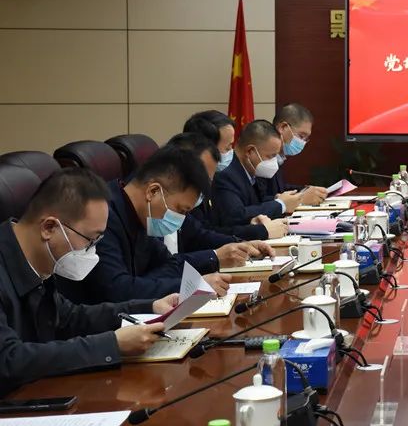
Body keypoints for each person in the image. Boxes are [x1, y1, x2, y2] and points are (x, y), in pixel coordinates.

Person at [0, 169, 181, 396]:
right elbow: (8, 360)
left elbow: (69, 318)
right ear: (49, 228)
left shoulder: (37, 258)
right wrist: (111, 345)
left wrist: (150, 307)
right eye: (90, 240)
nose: (93, 251)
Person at [57, 148, 231, 304]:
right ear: (153, 191)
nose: (182, 219)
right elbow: (117, 290)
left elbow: (170, 264)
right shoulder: (102, 217)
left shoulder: (141, 215)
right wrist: (192, 286)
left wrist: (143, 283)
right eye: (181, 210)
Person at [163, 132, 277, 259]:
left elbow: (201, 236)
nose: (205, 188)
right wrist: (216, 257)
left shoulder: (182, 210)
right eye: (202, 180)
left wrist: (243, 245)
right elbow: (169, 265)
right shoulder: (154, 218)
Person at [211, 120, 311, 230]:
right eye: (271, 156)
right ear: (250, 151)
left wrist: (276, 199)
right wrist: (281, 204)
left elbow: (257, 203)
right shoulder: (226, 174)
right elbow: (236, 215)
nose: (274, 162)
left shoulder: (252, 169)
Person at [261, 103, 327, 202]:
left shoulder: (279, 158)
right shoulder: (262, 157)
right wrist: (301, 198)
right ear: (283, 127)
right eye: (301, 136)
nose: (302, 142)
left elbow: (281, 188)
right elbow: (259, 200)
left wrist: (306, 190)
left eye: (306, 139)